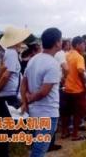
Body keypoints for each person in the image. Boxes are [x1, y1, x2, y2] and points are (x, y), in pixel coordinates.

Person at [21, 28, 62, 157]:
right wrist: (28, 100)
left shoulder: (34, 59)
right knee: (39, 151)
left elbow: (24, 82)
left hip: (34, 112)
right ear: (57, 43)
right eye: (61, 40)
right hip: (48, 112)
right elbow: (44, 92)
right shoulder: (53, 64)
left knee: (36, 148)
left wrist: (25, 101)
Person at [0, 26, 30, 157]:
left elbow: (3, 72)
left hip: (6, 96)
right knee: (5, 130)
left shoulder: (11, 53)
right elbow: (6, 76)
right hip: (6, 97)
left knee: (4, 129)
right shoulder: (11, 53)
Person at [61, 36, 86, 141]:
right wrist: (84, 84)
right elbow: (81, 71)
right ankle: (75, 134)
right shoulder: (79, 57)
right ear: (77, 45)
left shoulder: (66, 55)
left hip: (67, 88)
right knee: (78, 112)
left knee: (66, 112)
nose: (84, 46)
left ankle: (64, 132)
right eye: (83, 44)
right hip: (77, 89)